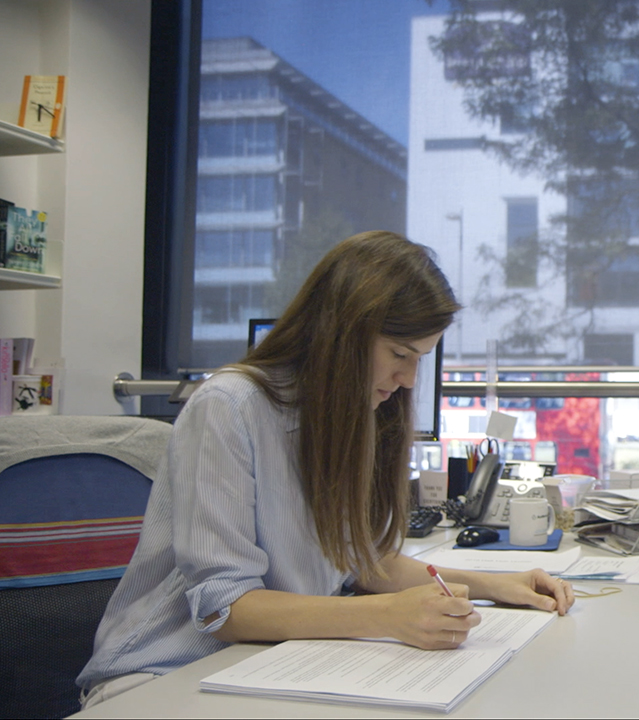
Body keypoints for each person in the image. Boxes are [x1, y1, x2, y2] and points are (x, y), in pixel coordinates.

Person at [77, 231, 574, 708]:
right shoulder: (228, 407)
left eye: (420, 358)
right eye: (399, 354)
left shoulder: (348, 415)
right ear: (342, 333)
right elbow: (226, 608)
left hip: (273, 665)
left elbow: (359, 561)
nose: (407, 380)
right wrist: (387, 616)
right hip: (164, 675)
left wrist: (493, 586)